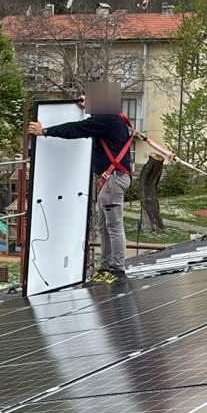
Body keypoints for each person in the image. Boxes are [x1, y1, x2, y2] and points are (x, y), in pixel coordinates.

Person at [28, 82, 133, 280]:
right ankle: (107, 266)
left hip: (113, 181)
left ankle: (117, 268)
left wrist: (45, 131)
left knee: (113, 226)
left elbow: (76, 129)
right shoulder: (114, 116)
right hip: (112, 180)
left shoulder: (105, 119)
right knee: (105, 226)